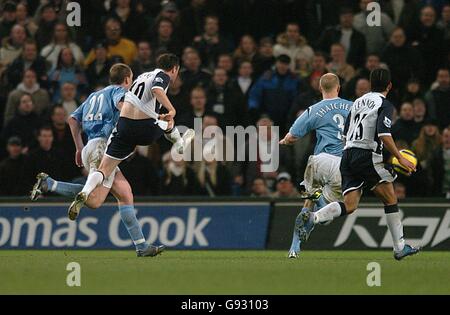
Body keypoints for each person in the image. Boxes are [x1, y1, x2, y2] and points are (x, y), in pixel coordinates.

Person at [30, 63, 163, 258]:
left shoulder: (93, 96)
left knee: (125, 193)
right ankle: (50, 184)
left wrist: (78, 148)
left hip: (89, 146)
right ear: (127, 79)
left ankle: (142, 246)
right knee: (94, 201)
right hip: (103, 148)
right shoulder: (120, 91)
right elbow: (122, 105)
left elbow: (72, 120)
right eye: (131, 80)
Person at [295, 68, 420, 261]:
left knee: (350, 205)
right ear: (389, 86)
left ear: (370, 85)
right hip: (366, 154)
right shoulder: (384, 104)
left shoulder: (358, 102)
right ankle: (399, 247)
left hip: (347, 155)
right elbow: (383, 134)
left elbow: (346, 132)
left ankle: (314, 217)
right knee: (390, 198)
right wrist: (399, 157)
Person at [69, 54, 195, 242]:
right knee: (170, 120)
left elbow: (132, 104)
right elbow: (158, 89)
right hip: (142, 130)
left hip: (123, 128)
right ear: (175, 69)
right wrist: (171, 109)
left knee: (104, 170)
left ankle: (85, 191)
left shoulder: (141, 77)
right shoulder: (163, 76)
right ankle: (179, 143)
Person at [280, 73, 352, 259]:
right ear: (339, 87)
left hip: (320, 161)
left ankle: (294, 247)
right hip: (343, 164)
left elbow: (293, 136)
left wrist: (285, 141)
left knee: (308, 203)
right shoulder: (353, 108)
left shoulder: (314, 109)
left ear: (320, 89)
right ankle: (316, 212)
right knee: (330, 213)